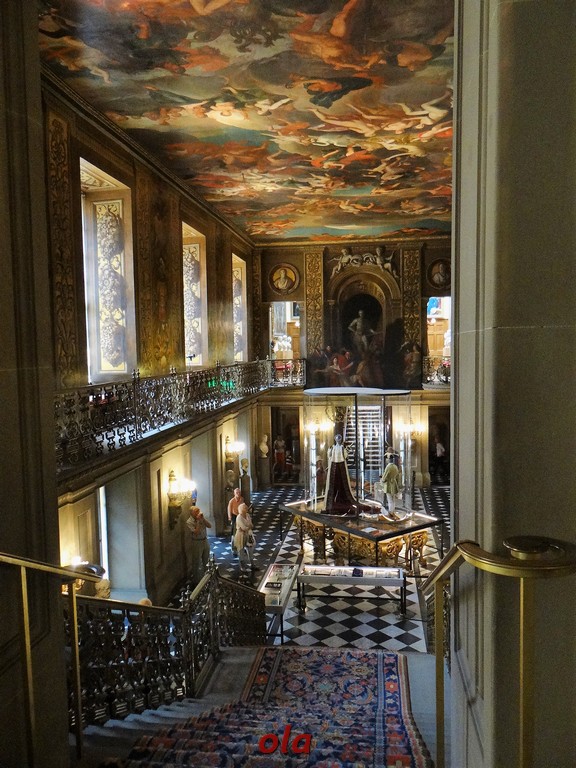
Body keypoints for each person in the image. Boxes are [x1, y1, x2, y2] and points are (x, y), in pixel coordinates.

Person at [323, 433, 357, 515]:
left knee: (342, 483)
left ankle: (341, 500)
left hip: (341, 465)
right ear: (335, 440)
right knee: (333, 484)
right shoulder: (332, 447)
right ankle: (331, 502)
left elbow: (345, 456)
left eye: (339, 439)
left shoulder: (342, 448)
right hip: (334, 465)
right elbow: (330, 456)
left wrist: (346, 451)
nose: (338, 440)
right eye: (337, 439)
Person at [186, 505, 211, 584]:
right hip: (197, 542)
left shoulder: (201, 518)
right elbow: (196, 532)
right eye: (196, 511)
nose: (198, 512)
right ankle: (196, 581)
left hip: (205, 540)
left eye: (198, 510)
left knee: (206, 559)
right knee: (196, 561)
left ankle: (207, 577)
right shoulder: (189, 522)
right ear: (192, 513)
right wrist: (199, 522)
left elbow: (209, 526)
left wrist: (203, 519)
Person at [233, 502, 257, 573]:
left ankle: (252, 564)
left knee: (250, 550)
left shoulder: (247, 515)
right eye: (245, 508)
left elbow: (251, 525)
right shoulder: (239, 517)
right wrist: (248, 527)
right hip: (241, 536)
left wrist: (248, 527)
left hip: (248, 534)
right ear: (242, 510)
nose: (247, 509)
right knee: (241, 551)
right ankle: (242, 566)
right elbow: (244, 528)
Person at [381, 454, 402, 519]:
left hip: (389, 485)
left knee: (390, 500)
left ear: (388, 460)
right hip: (394, 484)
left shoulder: (388, 467)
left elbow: (384, 477)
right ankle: (392, 512)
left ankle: (390, 513)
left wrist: (382, 480)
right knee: (393, 500)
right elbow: (397, 476)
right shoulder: (395, 466)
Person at [227, 487, 244, 553]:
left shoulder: (242, 499)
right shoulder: (231, 501)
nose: (238, 494)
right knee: (234, 533)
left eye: (239, 492)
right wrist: (230, 518)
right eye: (237, 492)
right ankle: (233, 548)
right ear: (234, 493)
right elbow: (229, 510)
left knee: (241, 532)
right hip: (234, 517)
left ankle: (241, 547)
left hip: (240, 516)